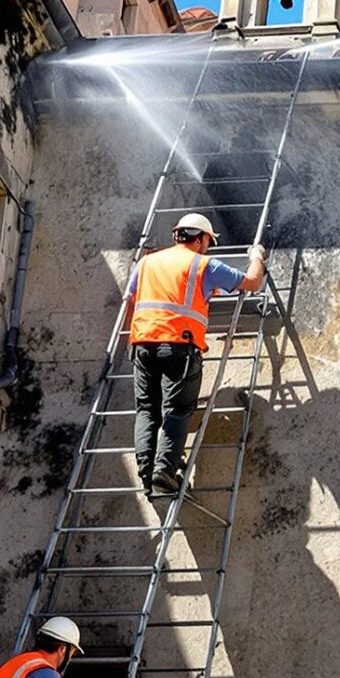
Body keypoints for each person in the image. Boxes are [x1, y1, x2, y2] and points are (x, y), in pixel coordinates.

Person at [124, 213, 266, 497]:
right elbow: (252, 282)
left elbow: (131, 300)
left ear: (177, 235)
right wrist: (257, 256)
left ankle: (146, 471)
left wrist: (137, 335)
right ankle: (164, 471)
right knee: (177, 410)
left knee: (147, 410)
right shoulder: (203, 265)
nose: (208, 247)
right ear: (200, 239)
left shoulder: (147, 263)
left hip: (142, 345)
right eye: (208, 242)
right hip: (179, 347)